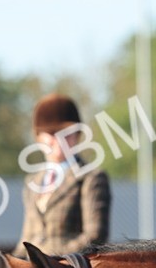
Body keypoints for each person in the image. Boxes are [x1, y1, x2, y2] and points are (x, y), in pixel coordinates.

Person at [13, 93, 111, 258]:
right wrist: (13, 267)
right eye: (52, 134)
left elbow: (95, 236)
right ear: (38, 137)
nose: (59, 140)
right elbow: (27, 237)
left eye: (66, 134)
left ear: (77, 135)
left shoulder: (91, 178)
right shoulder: (32, 182)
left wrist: (50, 260)